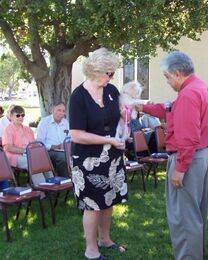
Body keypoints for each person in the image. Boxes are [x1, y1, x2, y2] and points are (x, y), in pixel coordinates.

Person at [137, 51, 208, 259]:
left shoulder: (189, 94)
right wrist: (142, 106)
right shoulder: (200, 88)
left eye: (167, 77)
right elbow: (169, 109)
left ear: (178, 73)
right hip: (201, 157)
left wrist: (180, 169)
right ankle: (196, 254)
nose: (168, 82)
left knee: (183, 216)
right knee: (195, 212)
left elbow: (188, 137)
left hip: (188, 158)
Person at [69, 48, 127, 260]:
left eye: (112, 73)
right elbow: (76, 135)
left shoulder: (111, 90)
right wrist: (108, 140)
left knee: (108, 199)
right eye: (109, 73)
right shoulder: (78, 97)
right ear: (96, 71)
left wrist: (125, 121)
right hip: (87, 160)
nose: (112, 76)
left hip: (112, 156)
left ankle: (105, 239)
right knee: (92, 205)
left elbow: (122, 115)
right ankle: (91, 249)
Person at [37, 102, 70, 177]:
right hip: (49, 151)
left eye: (63, 111)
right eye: (59, 110)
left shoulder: (65, 122)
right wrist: (54, 146)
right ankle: (65, 181)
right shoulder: (44, 122)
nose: (61, 113)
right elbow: (39, 143)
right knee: (63, 157)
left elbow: (69, 137)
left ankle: (79, 181)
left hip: (64, 149)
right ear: (53, 110)